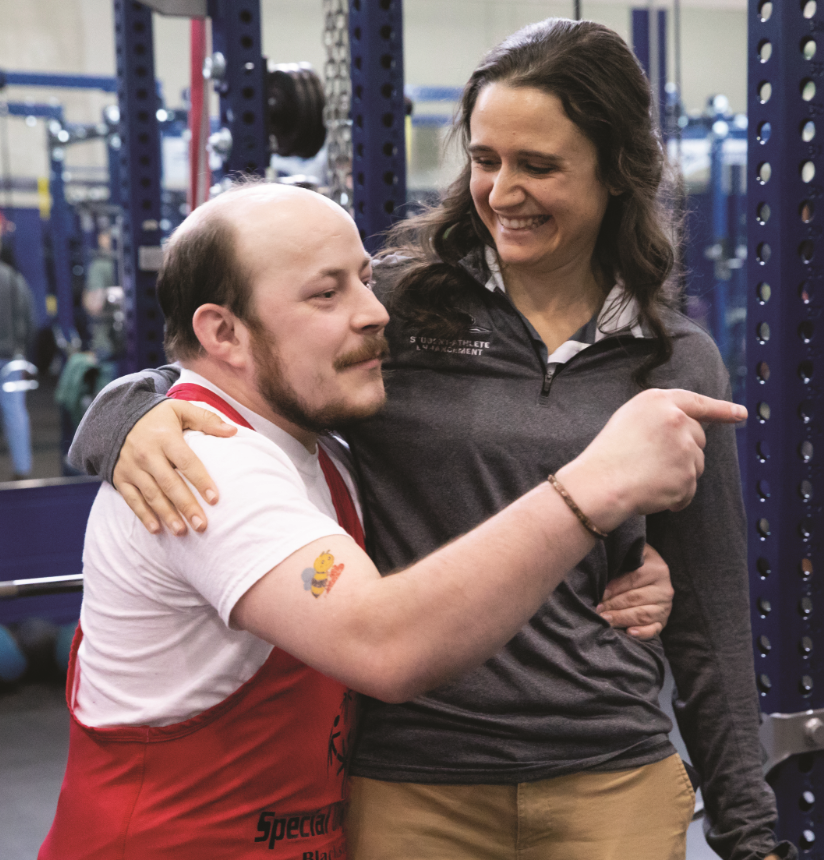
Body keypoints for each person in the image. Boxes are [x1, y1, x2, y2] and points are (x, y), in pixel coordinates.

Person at [67, 19, 792, 860]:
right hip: (413, 778)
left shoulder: (676, 358)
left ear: (617, 171)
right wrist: (125, 413)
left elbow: (708, 618)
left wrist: (751, 836)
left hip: (610, 771)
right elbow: (244, 353)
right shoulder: (399, 311)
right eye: (486, 161)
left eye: (540, 166)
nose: (503, 191)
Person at [0, 213, 36, 480]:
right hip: (11, 358)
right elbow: (29, 318)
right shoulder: (13, 278)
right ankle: (22, 469)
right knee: (15, 413)